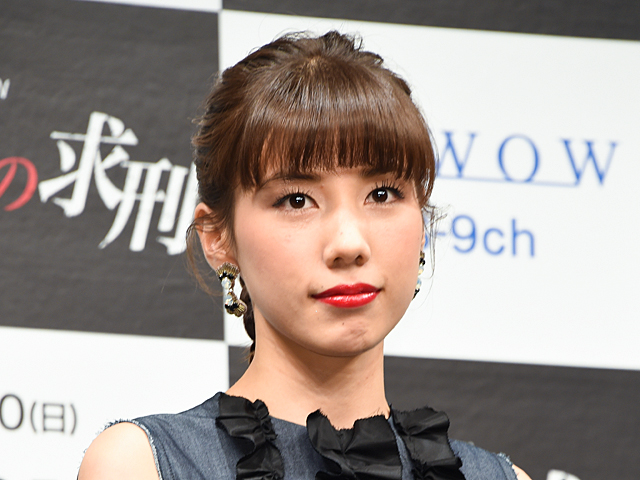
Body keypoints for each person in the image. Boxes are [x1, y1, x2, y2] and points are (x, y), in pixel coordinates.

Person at [78, 31, 531, 480]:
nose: (349, 244)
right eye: (297, 200)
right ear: (217, 238)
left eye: (382, 194)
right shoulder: (141, 465)